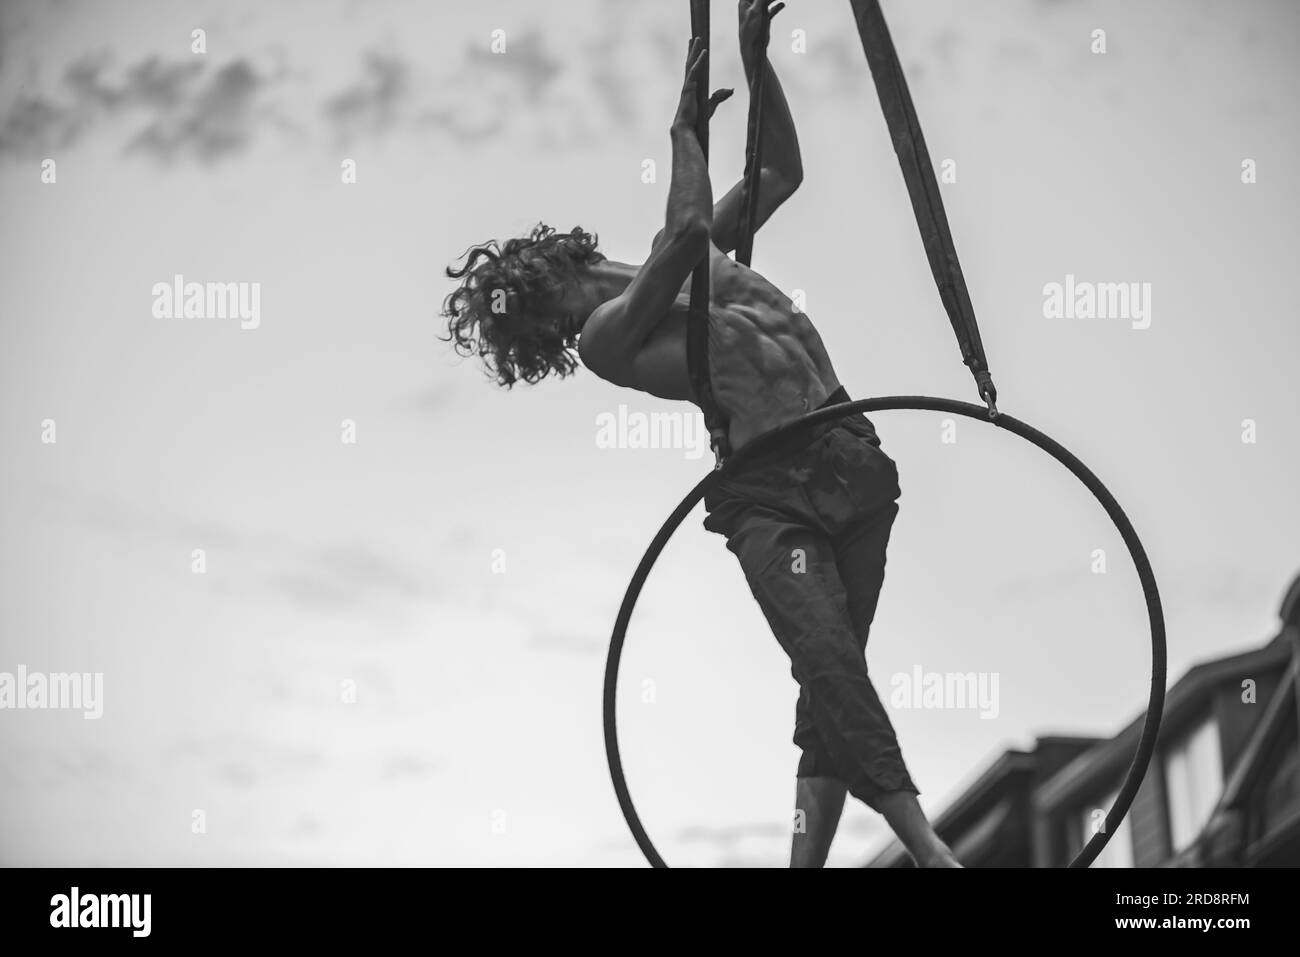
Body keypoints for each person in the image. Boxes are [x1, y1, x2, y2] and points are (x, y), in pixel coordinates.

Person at [442, 1, 959, 869]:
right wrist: (684, 131)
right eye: (541, 336)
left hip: (849, 457)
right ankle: (928, 848)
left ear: (547, 275)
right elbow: (684, 232)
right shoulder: (610, 337)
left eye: (539, 316)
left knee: (828, 694)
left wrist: (759, 64)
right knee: (832, 665)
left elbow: (781, 173)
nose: (556, 335)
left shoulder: (687, 255)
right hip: (771, 496)